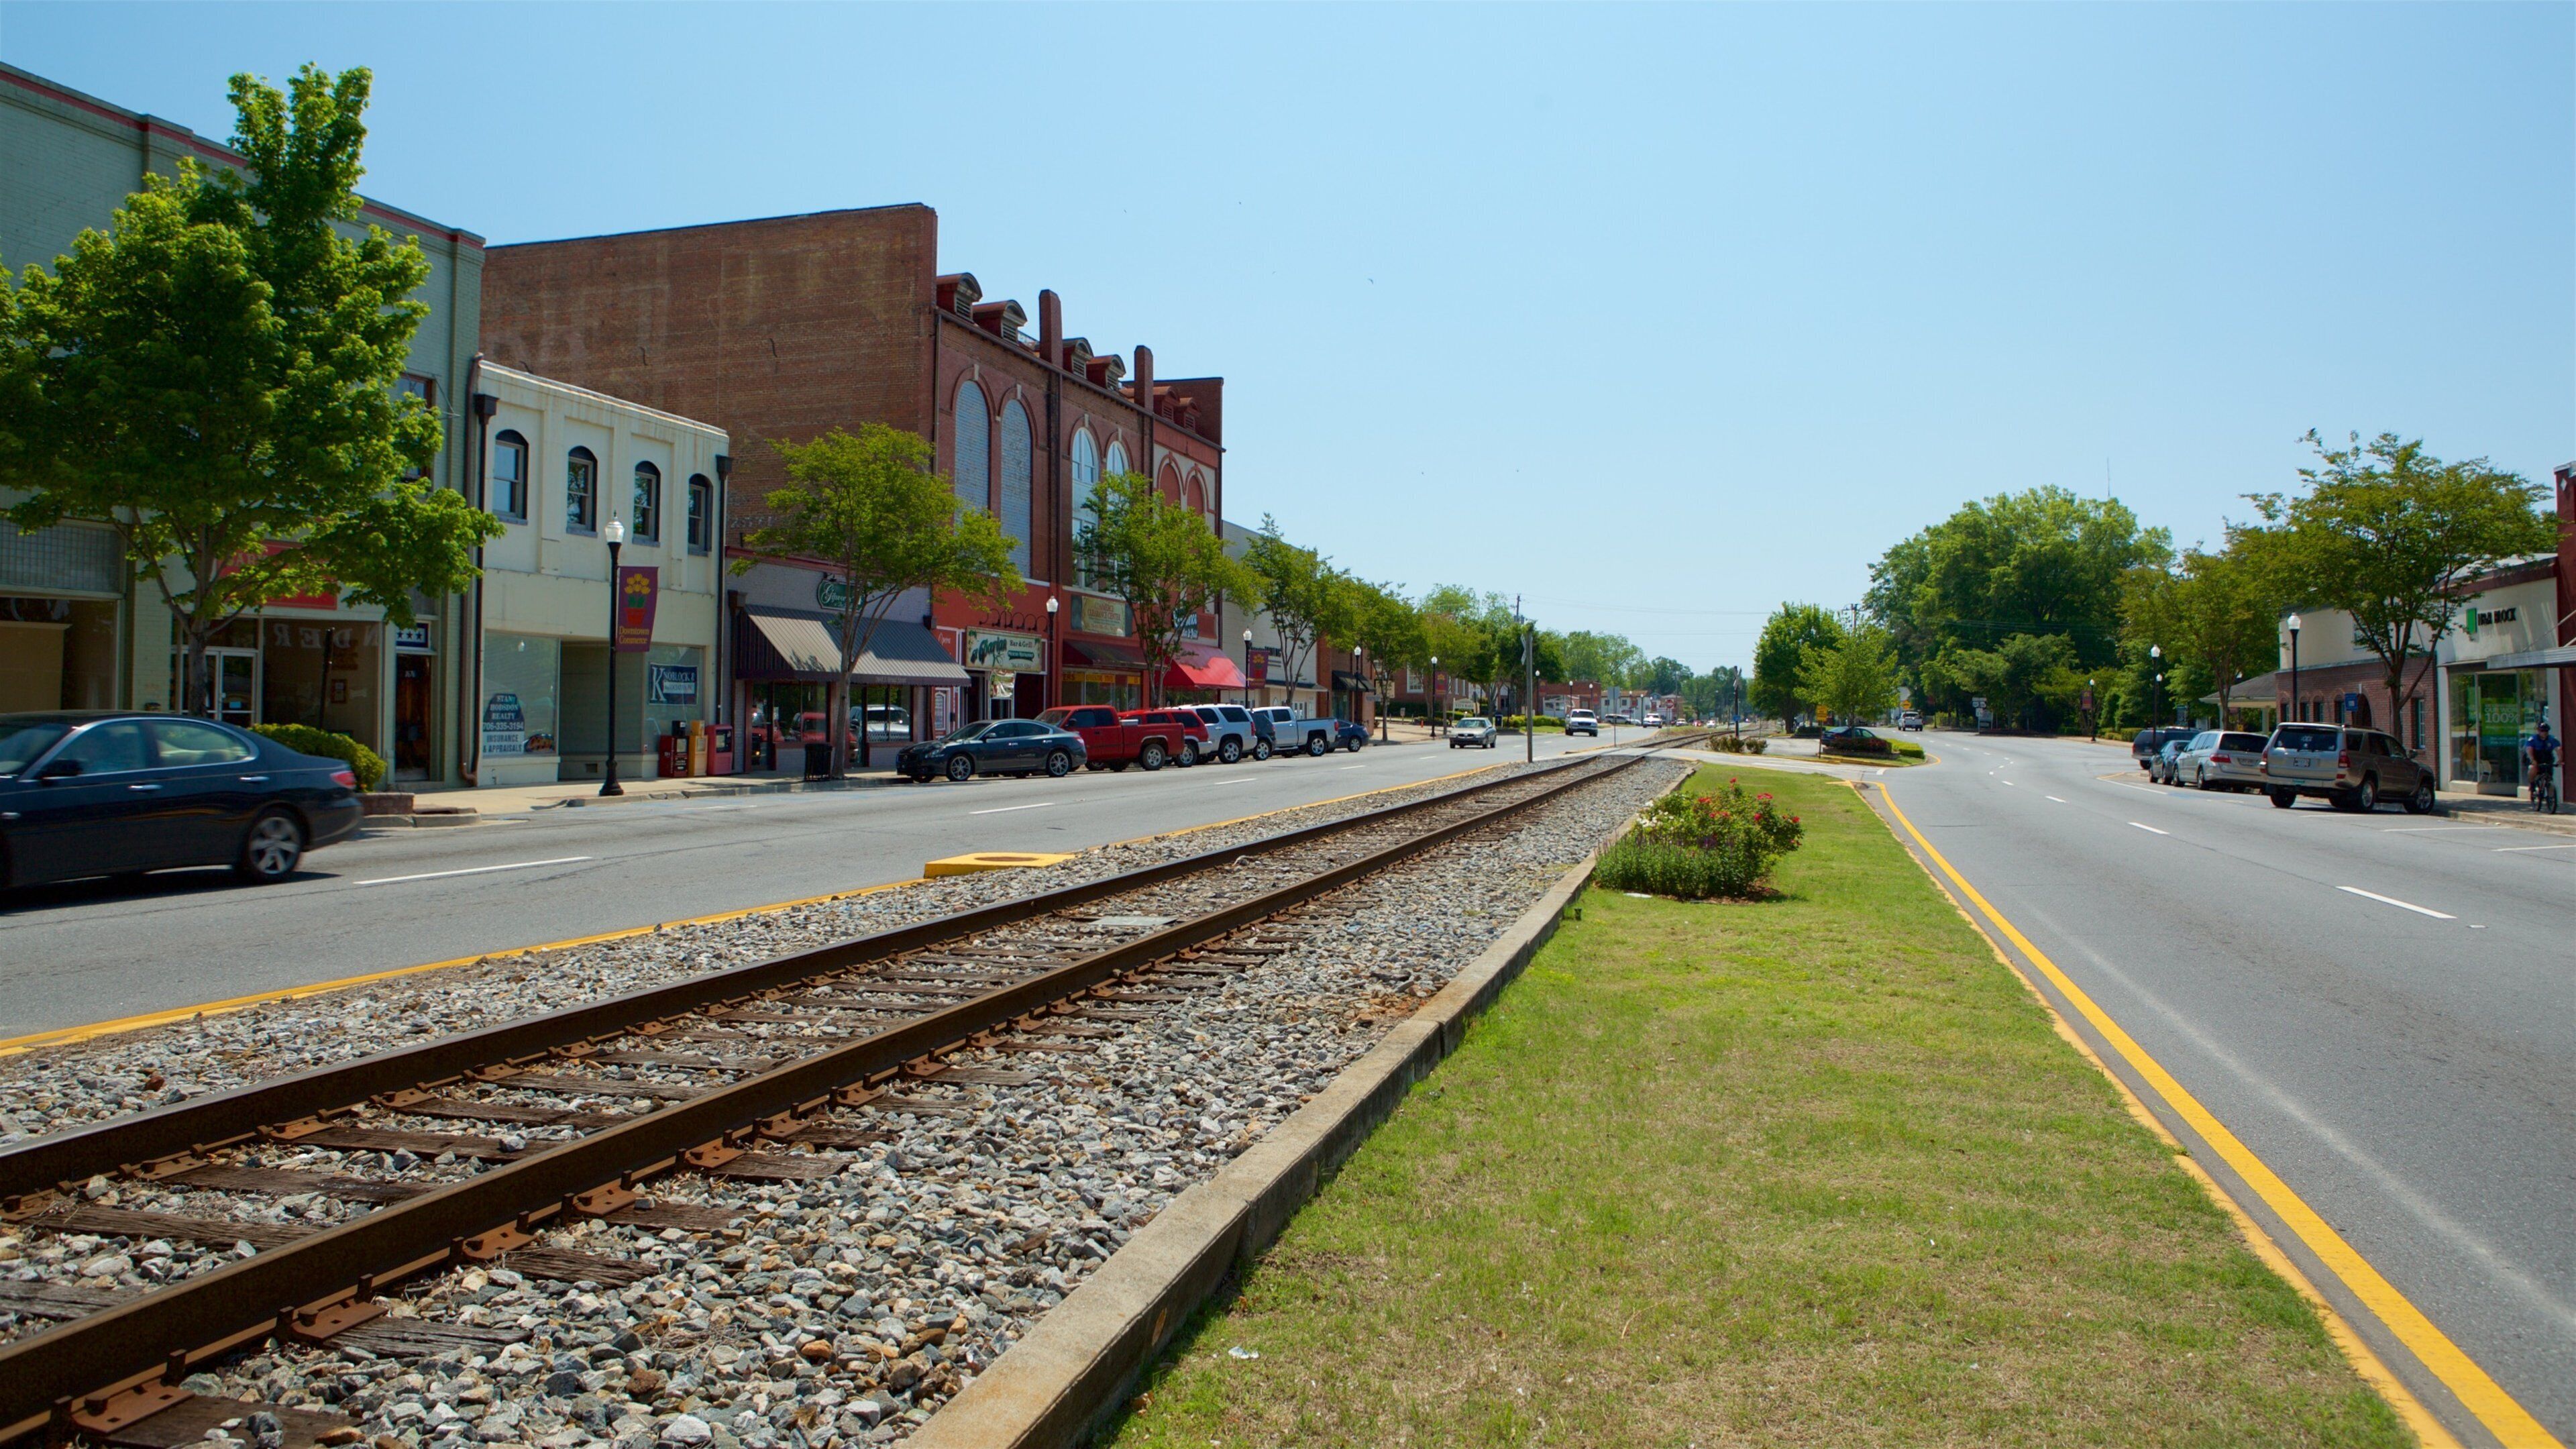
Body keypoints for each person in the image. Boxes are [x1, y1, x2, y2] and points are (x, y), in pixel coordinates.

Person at [2524, 720, 2559, 812]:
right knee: (2532, 769)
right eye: (2542, 731)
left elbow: (2559, 749)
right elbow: (2529, 750)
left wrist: (2560, 760)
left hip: (2547, 759)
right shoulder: (2533, 739)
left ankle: (2551, 799)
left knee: (2550, 779)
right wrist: (2533, 760)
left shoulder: (2552, 739)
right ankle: (2532, 784)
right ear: (2538, 731)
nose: (2544, 733)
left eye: (2546, 731)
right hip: (2536, 758)